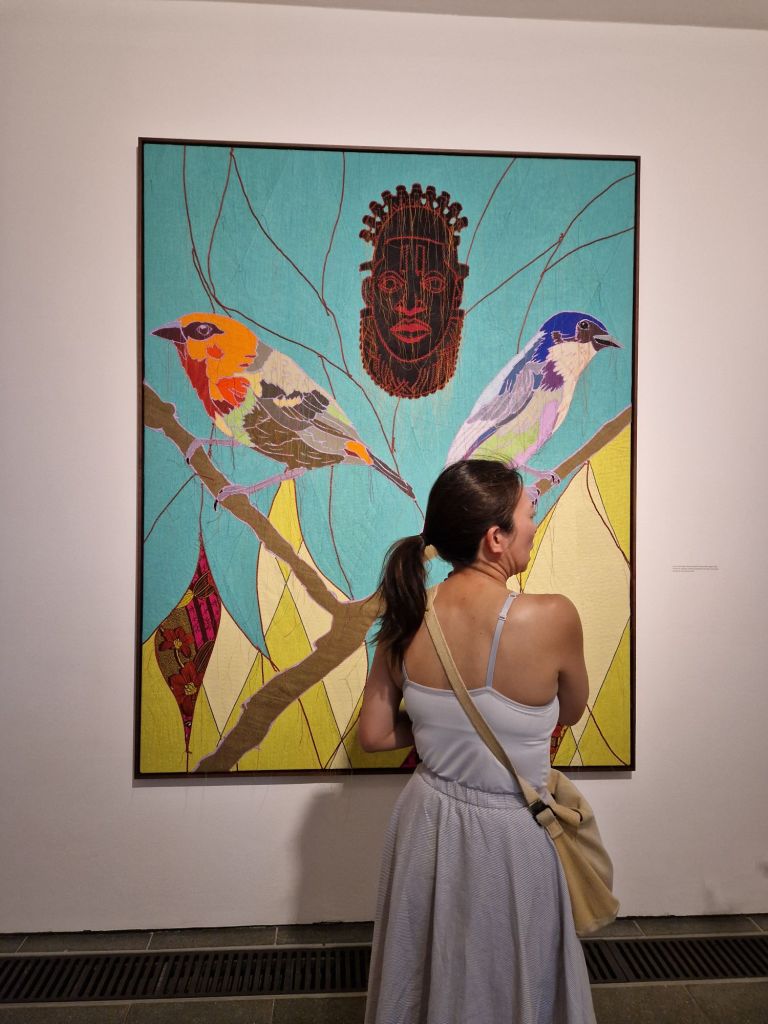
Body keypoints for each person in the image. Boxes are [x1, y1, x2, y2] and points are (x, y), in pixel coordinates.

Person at [359, 458, 596, 1024]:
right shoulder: (553, 617)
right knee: (516, 972)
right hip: (512, 833)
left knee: (426, 971)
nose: (534, 523)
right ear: (496, 538)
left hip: (427, 822)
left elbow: (374, 734)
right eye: (528, 513)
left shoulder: (407, 614)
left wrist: (435, 723)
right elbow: (569, 711)